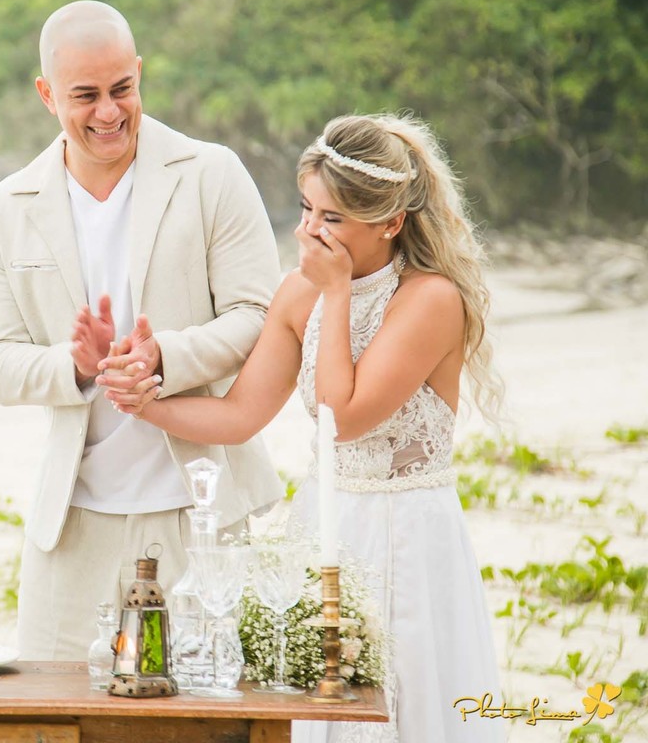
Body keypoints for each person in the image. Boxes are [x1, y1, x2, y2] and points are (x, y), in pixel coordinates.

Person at [109, 113, 504, 741]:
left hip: (409, 533)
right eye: (305, 208)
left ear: (390, 223)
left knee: (413, 706)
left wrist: (338, 294)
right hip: (326, 522)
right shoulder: (298, 294)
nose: (306, 230)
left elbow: (340, 417)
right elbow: (240, 417)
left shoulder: (431, 300)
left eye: (332, 219)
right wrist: (143, 401)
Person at [0, 0, 283, 661]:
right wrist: (77, 366)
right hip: (70, 526)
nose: (110, 112)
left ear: (140, 72)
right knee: (54, 723)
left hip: (199, 513)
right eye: (85, 96)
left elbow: (259, 317)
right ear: (45, 95)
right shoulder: (7, 207)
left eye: (123, 89)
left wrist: (163, 359)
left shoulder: (212, 174)